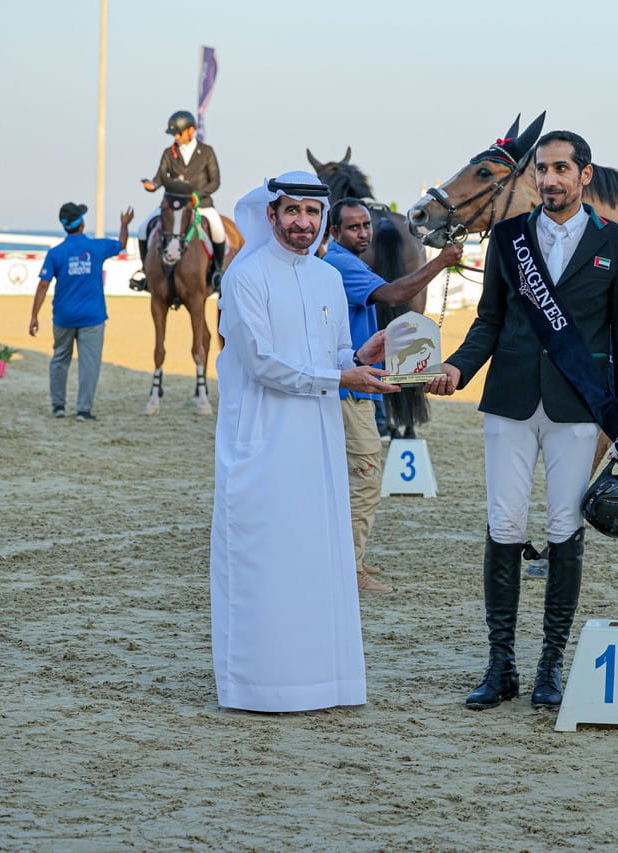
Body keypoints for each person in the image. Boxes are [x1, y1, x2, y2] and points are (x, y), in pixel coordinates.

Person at [425, 130, 618, 711]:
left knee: (564, 526)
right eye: (542, 170)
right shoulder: (508, 238)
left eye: (560, 169)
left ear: (585, 175)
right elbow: (489, 320)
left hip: (579, 407)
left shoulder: (616, 244)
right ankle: (501, 666)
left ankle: (551, 665)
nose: (549, 180)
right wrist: (457, 366)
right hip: (512, 401)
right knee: (503, 524)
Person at [210, 171, 403, 713]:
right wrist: (343, 378)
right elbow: (265, 364)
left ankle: (323, 683)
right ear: (270, 215)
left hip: (318, 438)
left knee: (317, 556)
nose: (302, 223)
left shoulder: (324, 278)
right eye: (291, 211)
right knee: (265, 558)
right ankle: (257, 687)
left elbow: (336, 353)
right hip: (262, 440)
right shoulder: (245, 276)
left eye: (312, 213)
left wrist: (364, 357)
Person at [323, 197, 463, 594]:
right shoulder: (342, 262)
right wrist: (440, 261)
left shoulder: (339, 258)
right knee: (365, 477)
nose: (364, 233)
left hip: (349, 377)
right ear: (334, 232)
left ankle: (350, 558)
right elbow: (394, 296)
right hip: (350, 389)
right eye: (353, 227)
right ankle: (350, 569)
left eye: (366, 225)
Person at [29, 202, 134, 421]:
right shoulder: (96, 247)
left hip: (63, 316)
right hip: (92, 317)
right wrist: (124, 224)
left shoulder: (56, 253)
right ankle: (83, 410)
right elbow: (122, 244)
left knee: (59, 359)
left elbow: (43, 285)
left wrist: (34, 315)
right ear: (82, 224)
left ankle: (58, 406)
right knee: (90, 364)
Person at [131, 110, 227, 291]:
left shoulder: (206, 152)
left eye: (178, 133)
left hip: (201, 204)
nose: (175, 137)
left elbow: (215, 181)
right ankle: (145, 273)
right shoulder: (169, 153)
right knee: (143, 229)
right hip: (173, 205)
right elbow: (160, 177)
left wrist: (197, 195)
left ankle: (217, 273)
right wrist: (152, 185)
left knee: (218, 231)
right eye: (173, 134)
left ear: (191, 131)